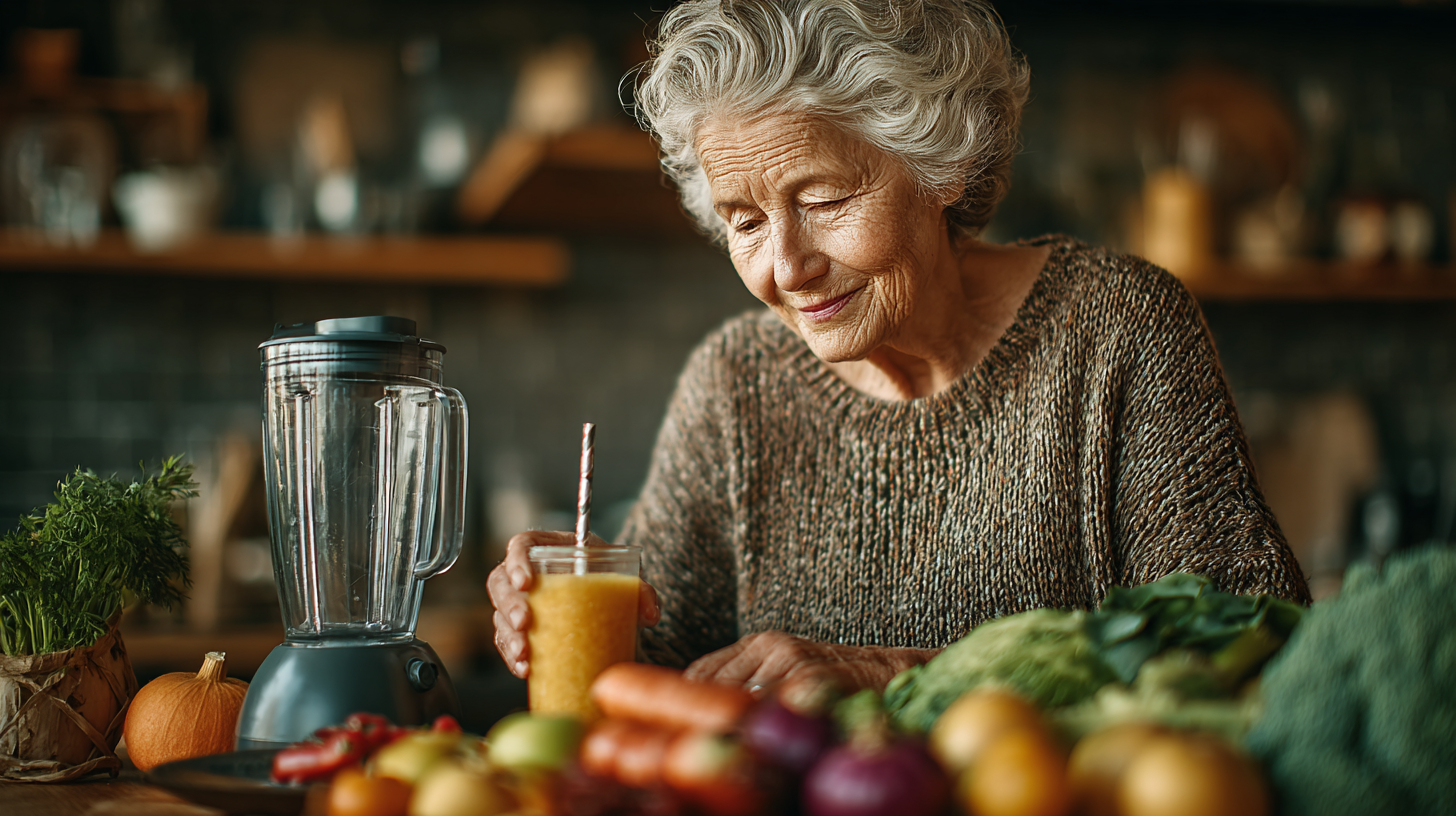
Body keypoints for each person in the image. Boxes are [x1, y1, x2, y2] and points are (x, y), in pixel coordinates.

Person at [487, 0, 1310, 696]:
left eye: (826, 198)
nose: (786, 268)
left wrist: (892, 676)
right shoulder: (735, 381)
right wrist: (565, 615)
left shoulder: (1116, 332)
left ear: (942, 165)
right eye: (744, 221)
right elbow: (653, 687)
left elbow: (1256, 651)